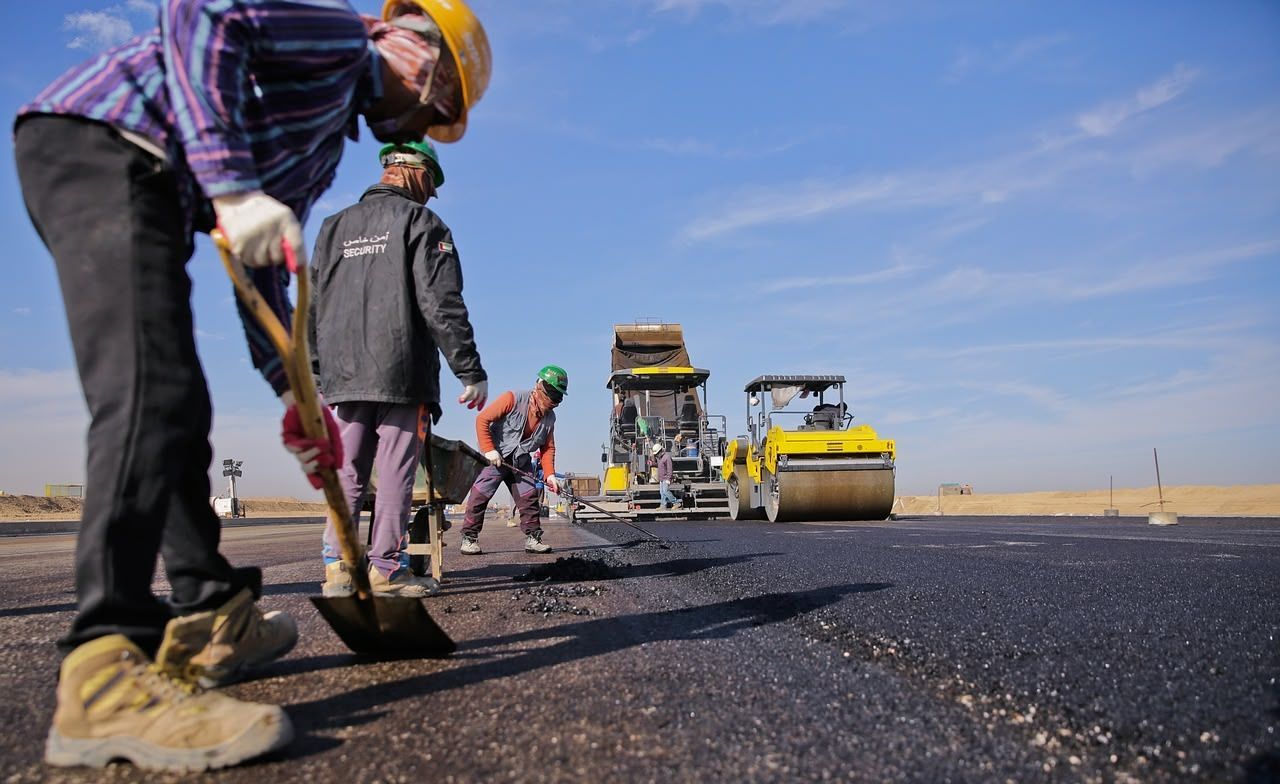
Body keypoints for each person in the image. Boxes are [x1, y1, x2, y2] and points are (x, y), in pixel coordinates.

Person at [13, 0, 490, 771]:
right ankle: (103, 673)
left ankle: (210, 611)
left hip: (151, 180)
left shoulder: (321, 145)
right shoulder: (339, 38)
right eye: (438, 106)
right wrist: (232, 187)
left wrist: (292, 392)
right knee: (146, 396)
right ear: (418, 55)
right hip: (99, 143)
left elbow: (262, 263)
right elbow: (200, 14)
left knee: (180, 408)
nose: (428, 121)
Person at [310, 140, 486, 599]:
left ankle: (338, 569)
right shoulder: (421, 222)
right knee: (394, 473)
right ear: (416, 171)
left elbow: (312, 305)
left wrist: (316, 369)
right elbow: (441, 303)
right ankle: (385, 570)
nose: (431, 194)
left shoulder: (332, 228)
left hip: (343, 376)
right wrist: (469, 369)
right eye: (432, 183)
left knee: (346, 469)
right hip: (400, 371)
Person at [461, 367, 569, 555]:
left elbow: (547, 448)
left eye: (557, 398)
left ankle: (533, 539)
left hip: (520, 461)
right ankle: (469, 538)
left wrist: (550, 475)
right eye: (551, 396)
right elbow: (482, 420)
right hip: (496, 457)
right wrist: (489, 450)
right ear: (538, 387)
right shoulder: (513, 398)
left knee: (529, 498)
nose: (553, 402)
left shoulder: (550, 418)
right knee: (479, 496)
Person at [654, 442, 679, 509]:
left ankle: (676, 503)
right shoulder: (659, 458)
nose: (656, 455)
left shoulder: (667, 457)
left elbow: (670, 469)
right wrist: (652, 464)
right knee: (662, 492)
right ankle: (663, 505)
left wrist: (669, 479)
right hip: (661, 478)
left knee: (666, 491)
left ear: (660, 451)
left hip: (666, 478)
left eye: (656, 454)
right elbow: (659, 465)